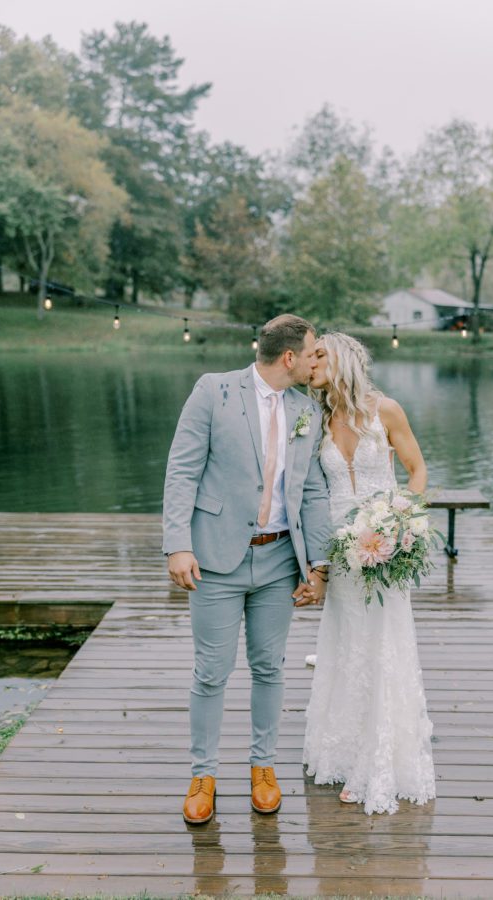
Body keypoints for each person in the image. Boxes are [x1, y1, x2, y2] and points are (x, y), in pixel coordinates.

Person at [163, 314, 331, 825]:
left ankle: (263, 768)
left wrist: (319, 565)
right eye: (312, 352)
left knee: (269, 668)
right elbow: (183, 469)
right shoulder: (213, 391)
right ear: (289, 358)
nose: (315, 360)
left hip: (280, 560)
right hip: (214, 558)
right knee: (211, 673)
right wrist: (177, 544)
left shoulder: (307, 409)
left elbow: (315, 490)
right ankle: (203, 775)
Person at [302, 332, 436, 815]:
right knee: (346, 646)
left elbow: (417, 470)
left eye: (320, 355)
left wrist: (402, 521)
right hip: (341, 554)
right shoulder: (316, 418)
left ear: (344, 360)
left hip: (385, 550)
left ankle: (375, 761)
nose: (311, 362)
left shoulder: (388, 410)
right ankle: (341, 747)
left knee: (383, 647)